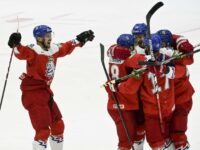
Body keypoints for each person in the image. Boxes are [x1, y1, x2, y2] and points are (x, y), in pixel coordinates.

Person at [7, 25, 94, 150]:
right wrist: (15, 44)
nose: (50, 38)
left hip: (45, 92)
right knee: (43, 131)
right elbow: (21, 53)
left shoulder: (53, 49)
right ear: (39, 38)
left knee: (58, 125)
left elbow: (66, 47)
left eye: (50, 35)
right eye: (47, 36)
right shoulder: (33, 50)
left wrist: (80, 39)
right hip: (34, 94)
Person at [157, 29, 194, 150]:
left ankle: (181, 145)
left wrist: (180, 41)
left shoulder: (178, 58)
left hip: (181, 98)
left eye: (163, 44)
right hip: (166, 100)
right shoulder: (159, 54)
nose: (160, 47)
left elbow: (181, 68)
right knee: (164, 128)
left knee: (178, 127)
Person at [105, 34, 144, 150]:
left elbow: (111, 49)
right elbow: (139, 61)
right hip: (124, 106)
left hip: (120, 103)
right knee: (125, 143)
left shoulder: (114, 53)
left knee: (138, 133)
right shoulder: (130, 59)